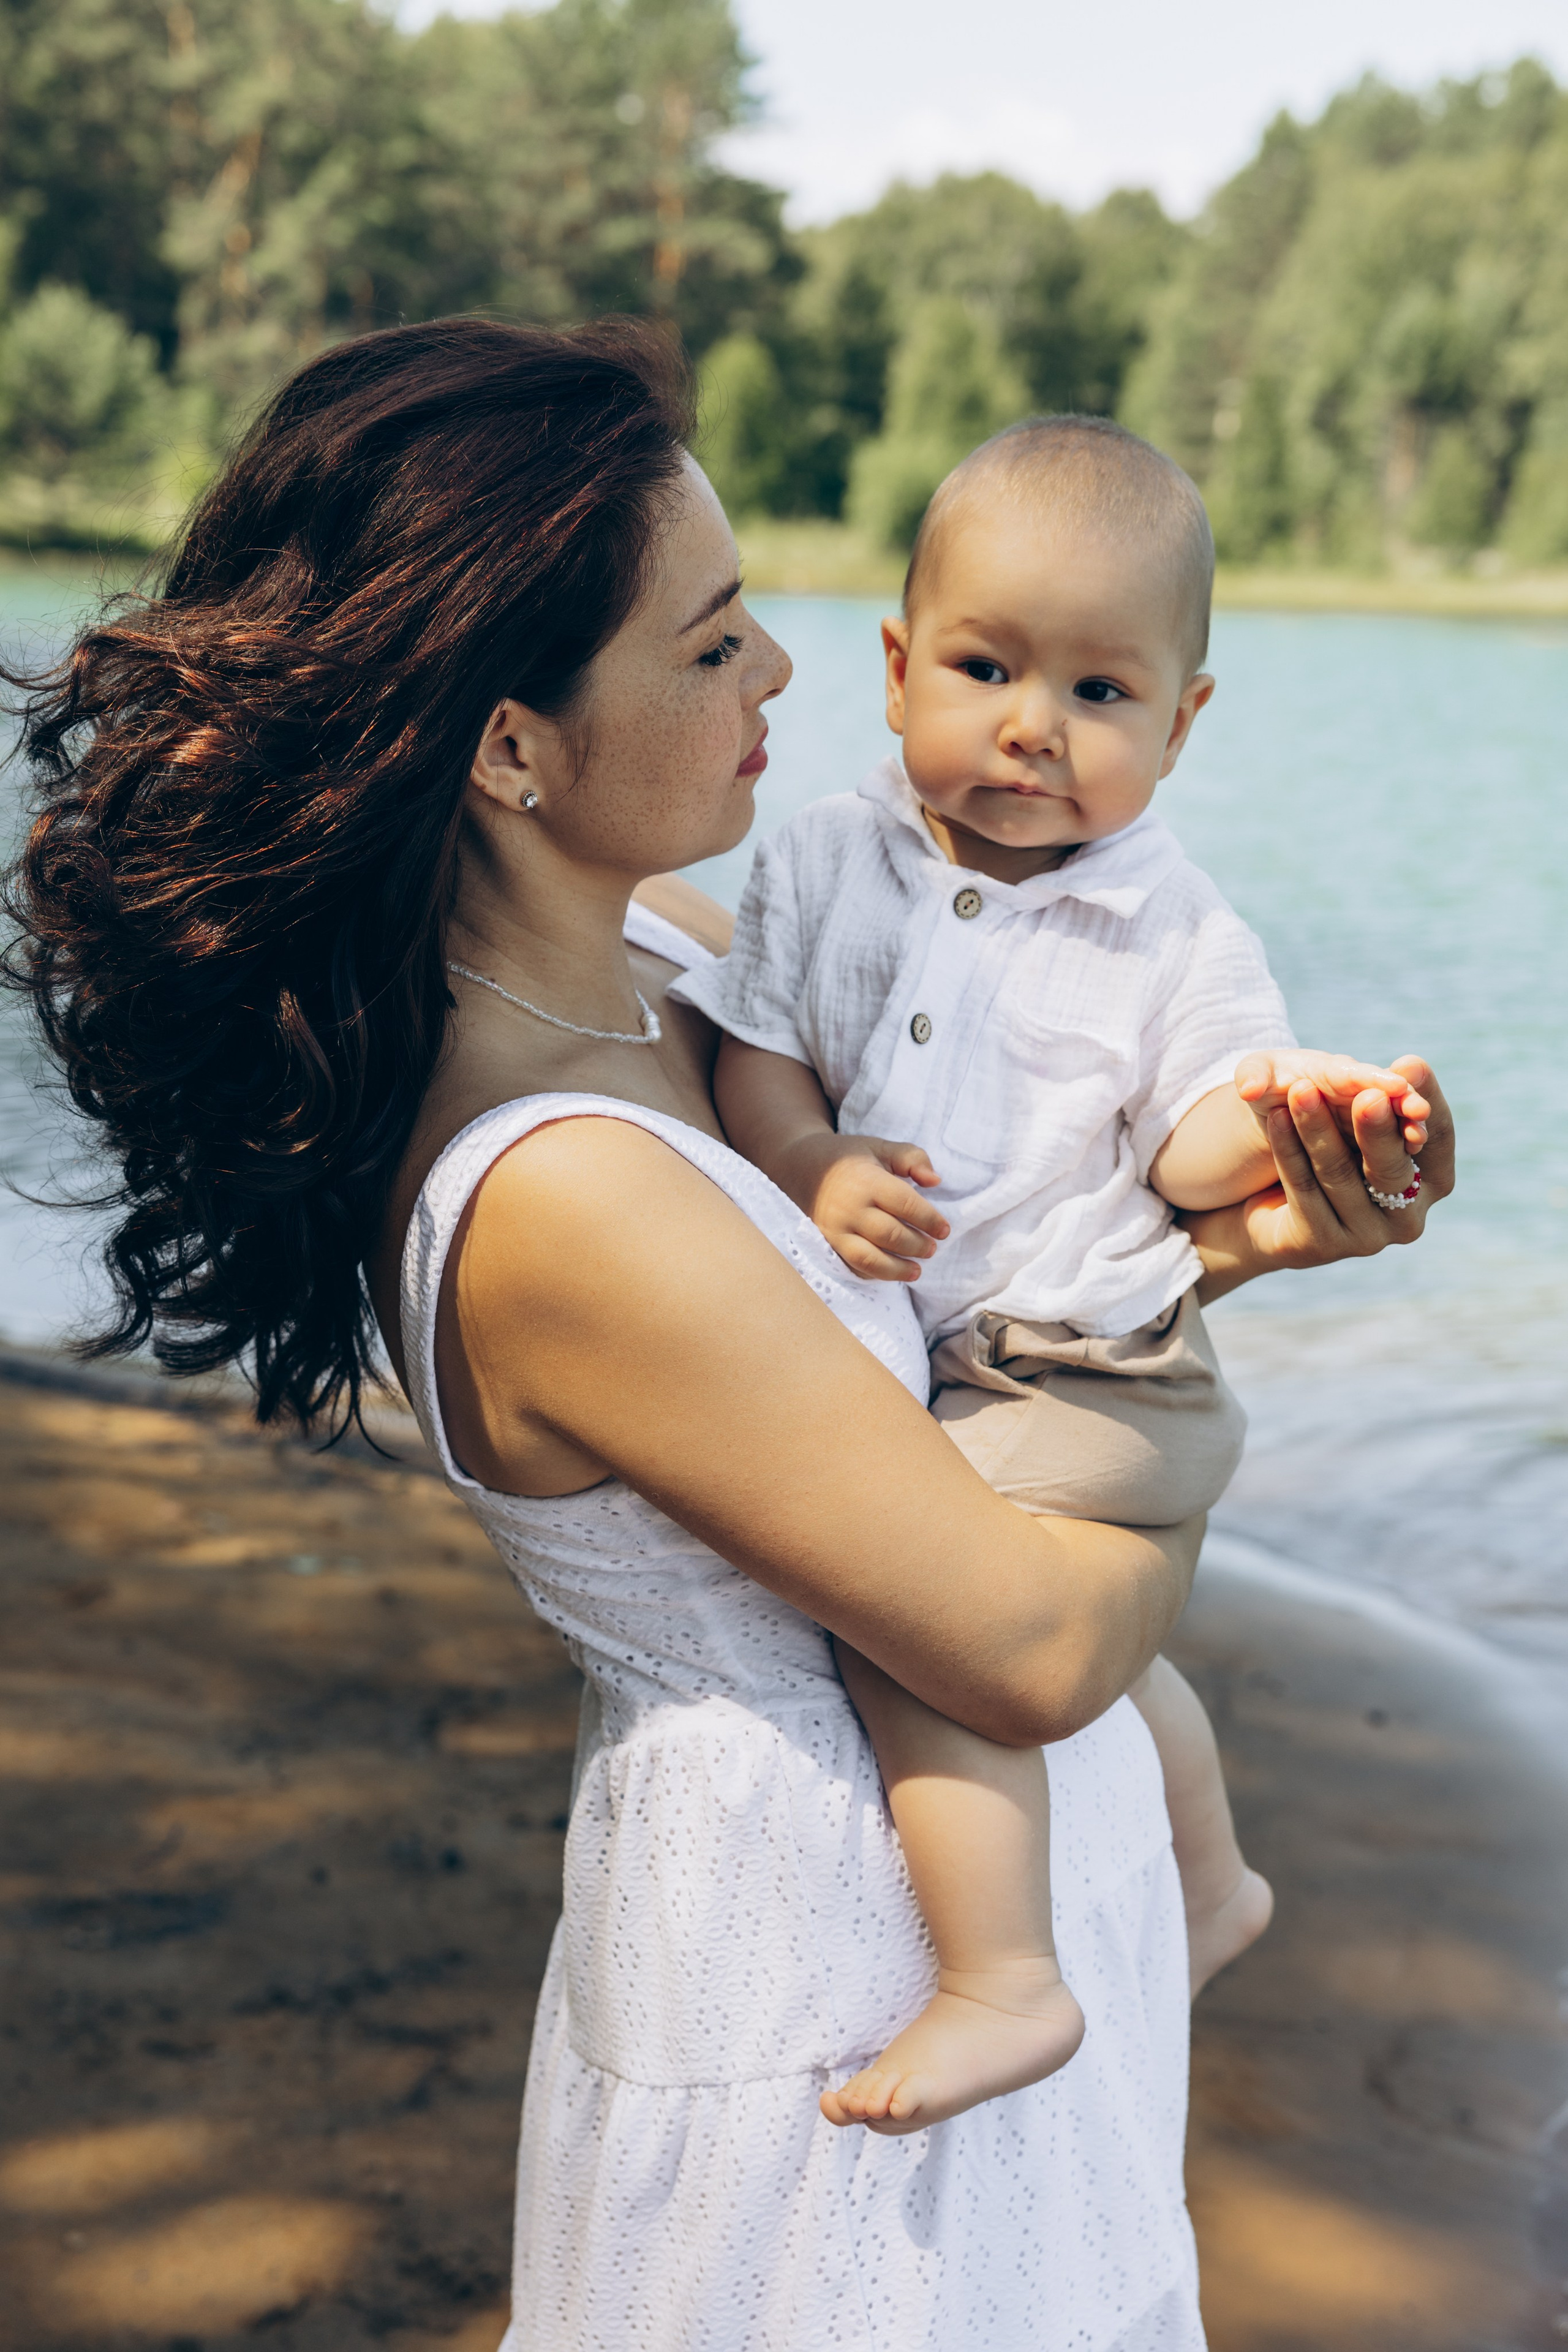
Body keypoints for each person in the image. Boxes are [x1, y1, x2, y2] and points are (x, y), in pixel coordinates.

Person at [3, 320, 1454, 2352]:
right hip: (835, 1994)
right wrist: (1170, 1423)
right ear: (509, 748)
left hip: (981, 1930)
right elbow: (1027, 1642)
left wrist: (1210, 1249)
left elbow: (999, 1219)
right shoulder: (558, 1195)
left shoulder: (669, 965)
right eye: (711, 644)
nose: (784, 672)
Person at [675, 414, 1443, 2137]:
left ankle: (1006, 1977)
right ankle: (1216, 1874)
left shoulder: (1177, 932)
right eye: (986, 665)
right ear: (896, 670)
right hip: (960, 1351)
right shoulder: (820, 856)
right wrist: (809, 1161)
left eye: (1103, 695)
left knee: (913, 1602)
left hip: (1085, 1365)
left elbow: (1186, 1152)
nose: (1035, 723)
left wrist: (1301, 1119)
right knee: (1067, 1634)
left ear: (1183, 724)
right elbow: (763, 1052)